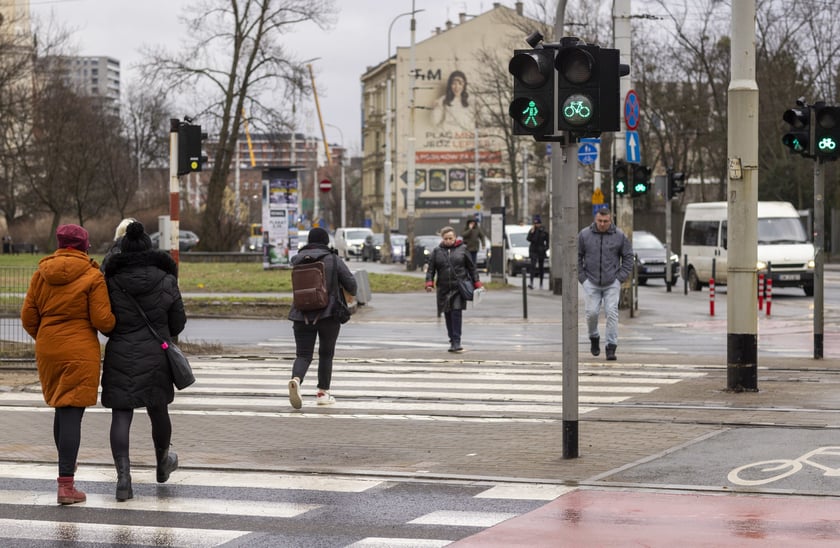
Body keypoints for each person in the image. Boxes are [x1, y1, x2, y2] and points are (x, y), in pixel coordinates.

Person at [20, 224, 116, 505]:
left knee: (62, 408)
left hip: (48, 347)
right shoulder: (91, 275)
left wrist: (47, 336)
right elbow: (103, 321)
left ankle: (66, 463)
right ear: (85, 246)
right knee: (72, 410)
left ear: (60, 244)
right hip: (79, 349)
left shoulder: (41, 274)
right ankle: (66, 485)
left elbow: (28, 317)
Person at [101, 221, 187, 501]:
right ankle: (162, 463)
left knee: (121, 414)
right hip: (157, 353)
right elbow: (178, 322)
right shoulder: (166, 279)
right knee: (158, 410)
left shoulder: (111, 281)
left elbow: (105, 323)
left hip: (121, 353)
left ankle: (124, 478)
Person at [287, 228, 357, 409]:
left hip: (301, 313)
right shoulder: (333, 259)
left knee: (303, 355)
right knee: (326, 354)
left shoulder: (298, 260)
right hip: (329, 313)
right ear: (326, 242)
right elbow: (352, 284)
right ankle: (322, 393)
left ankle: (296, 380)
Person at [577, 208, 634, 361]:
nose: (602, 224)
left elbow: (628, 257)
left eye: (605, 221)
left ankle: (611, 346)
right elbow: (577, 256)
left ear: (611, 220)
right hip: (591, 282)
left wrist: (620, 278)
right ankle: (594, 337)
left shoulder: (619, 236)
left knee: (612, 313)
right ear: (595, 220)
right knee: (591, 313)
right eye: (600, 221)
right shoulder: (584, 235)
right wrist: (582, 278)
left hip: (612, 282)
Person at [425, 226, 484, 352]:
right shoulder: (437, 251)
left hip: (458, 287)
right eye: (445, 238)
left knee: (456, 313)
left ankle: (457, 341)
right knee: (447, 314)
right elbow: (431, 270)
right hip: (444, 288)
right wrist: (429, 283)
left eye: (450, 238)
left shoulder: (463, 249)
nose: (448, 241)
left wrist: (477, 283)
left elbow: (472, 268)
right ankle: (452, 340)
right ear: (442, 239)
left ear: (455, 237)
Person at [526, 215, 549, 290]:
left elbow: (547, 242)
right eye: (535, 223)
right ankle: (531, 282)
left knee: (541, 268)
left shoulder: (544, 231)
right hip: (533, 251)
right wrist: (532, 232)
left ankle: (541, 283)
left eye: (538, 223)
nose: (537, 225)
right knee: (532, 266)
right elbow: (528, 239)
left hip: (541, 252)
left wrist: (545, 249)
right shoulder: (532, 230)